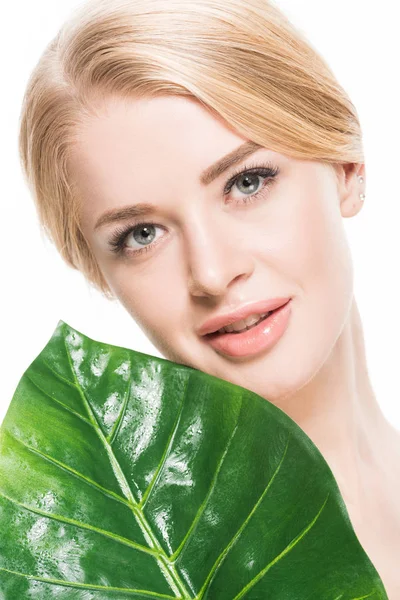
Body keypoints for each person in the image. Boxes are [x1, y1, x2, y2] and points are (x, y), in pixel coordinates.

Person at [18, 0, 400, 595]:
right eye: (141, 235)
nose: (213, 273)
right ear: (96, 270)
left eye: (246, 182)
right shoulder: (100, 570)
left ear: (347, 164)